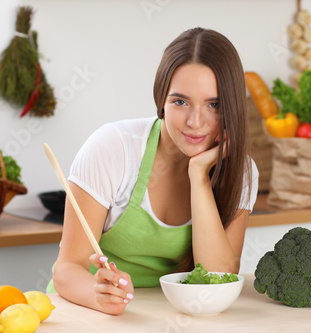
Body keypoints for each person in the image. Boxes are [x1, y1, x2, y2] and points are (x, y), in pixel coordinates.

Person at [46, 27, 259, 315]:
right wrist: (100, 296)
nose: (196, 122)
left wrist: (198, 176)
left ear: (232, 106)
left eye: (214, 105)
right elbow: (67, 269)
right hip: (90, 311)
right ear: (161, 99)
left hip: (175, 317)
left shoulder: (241, 171)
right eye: (180, 101)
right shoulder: (113, 148)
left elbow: (217, 278)